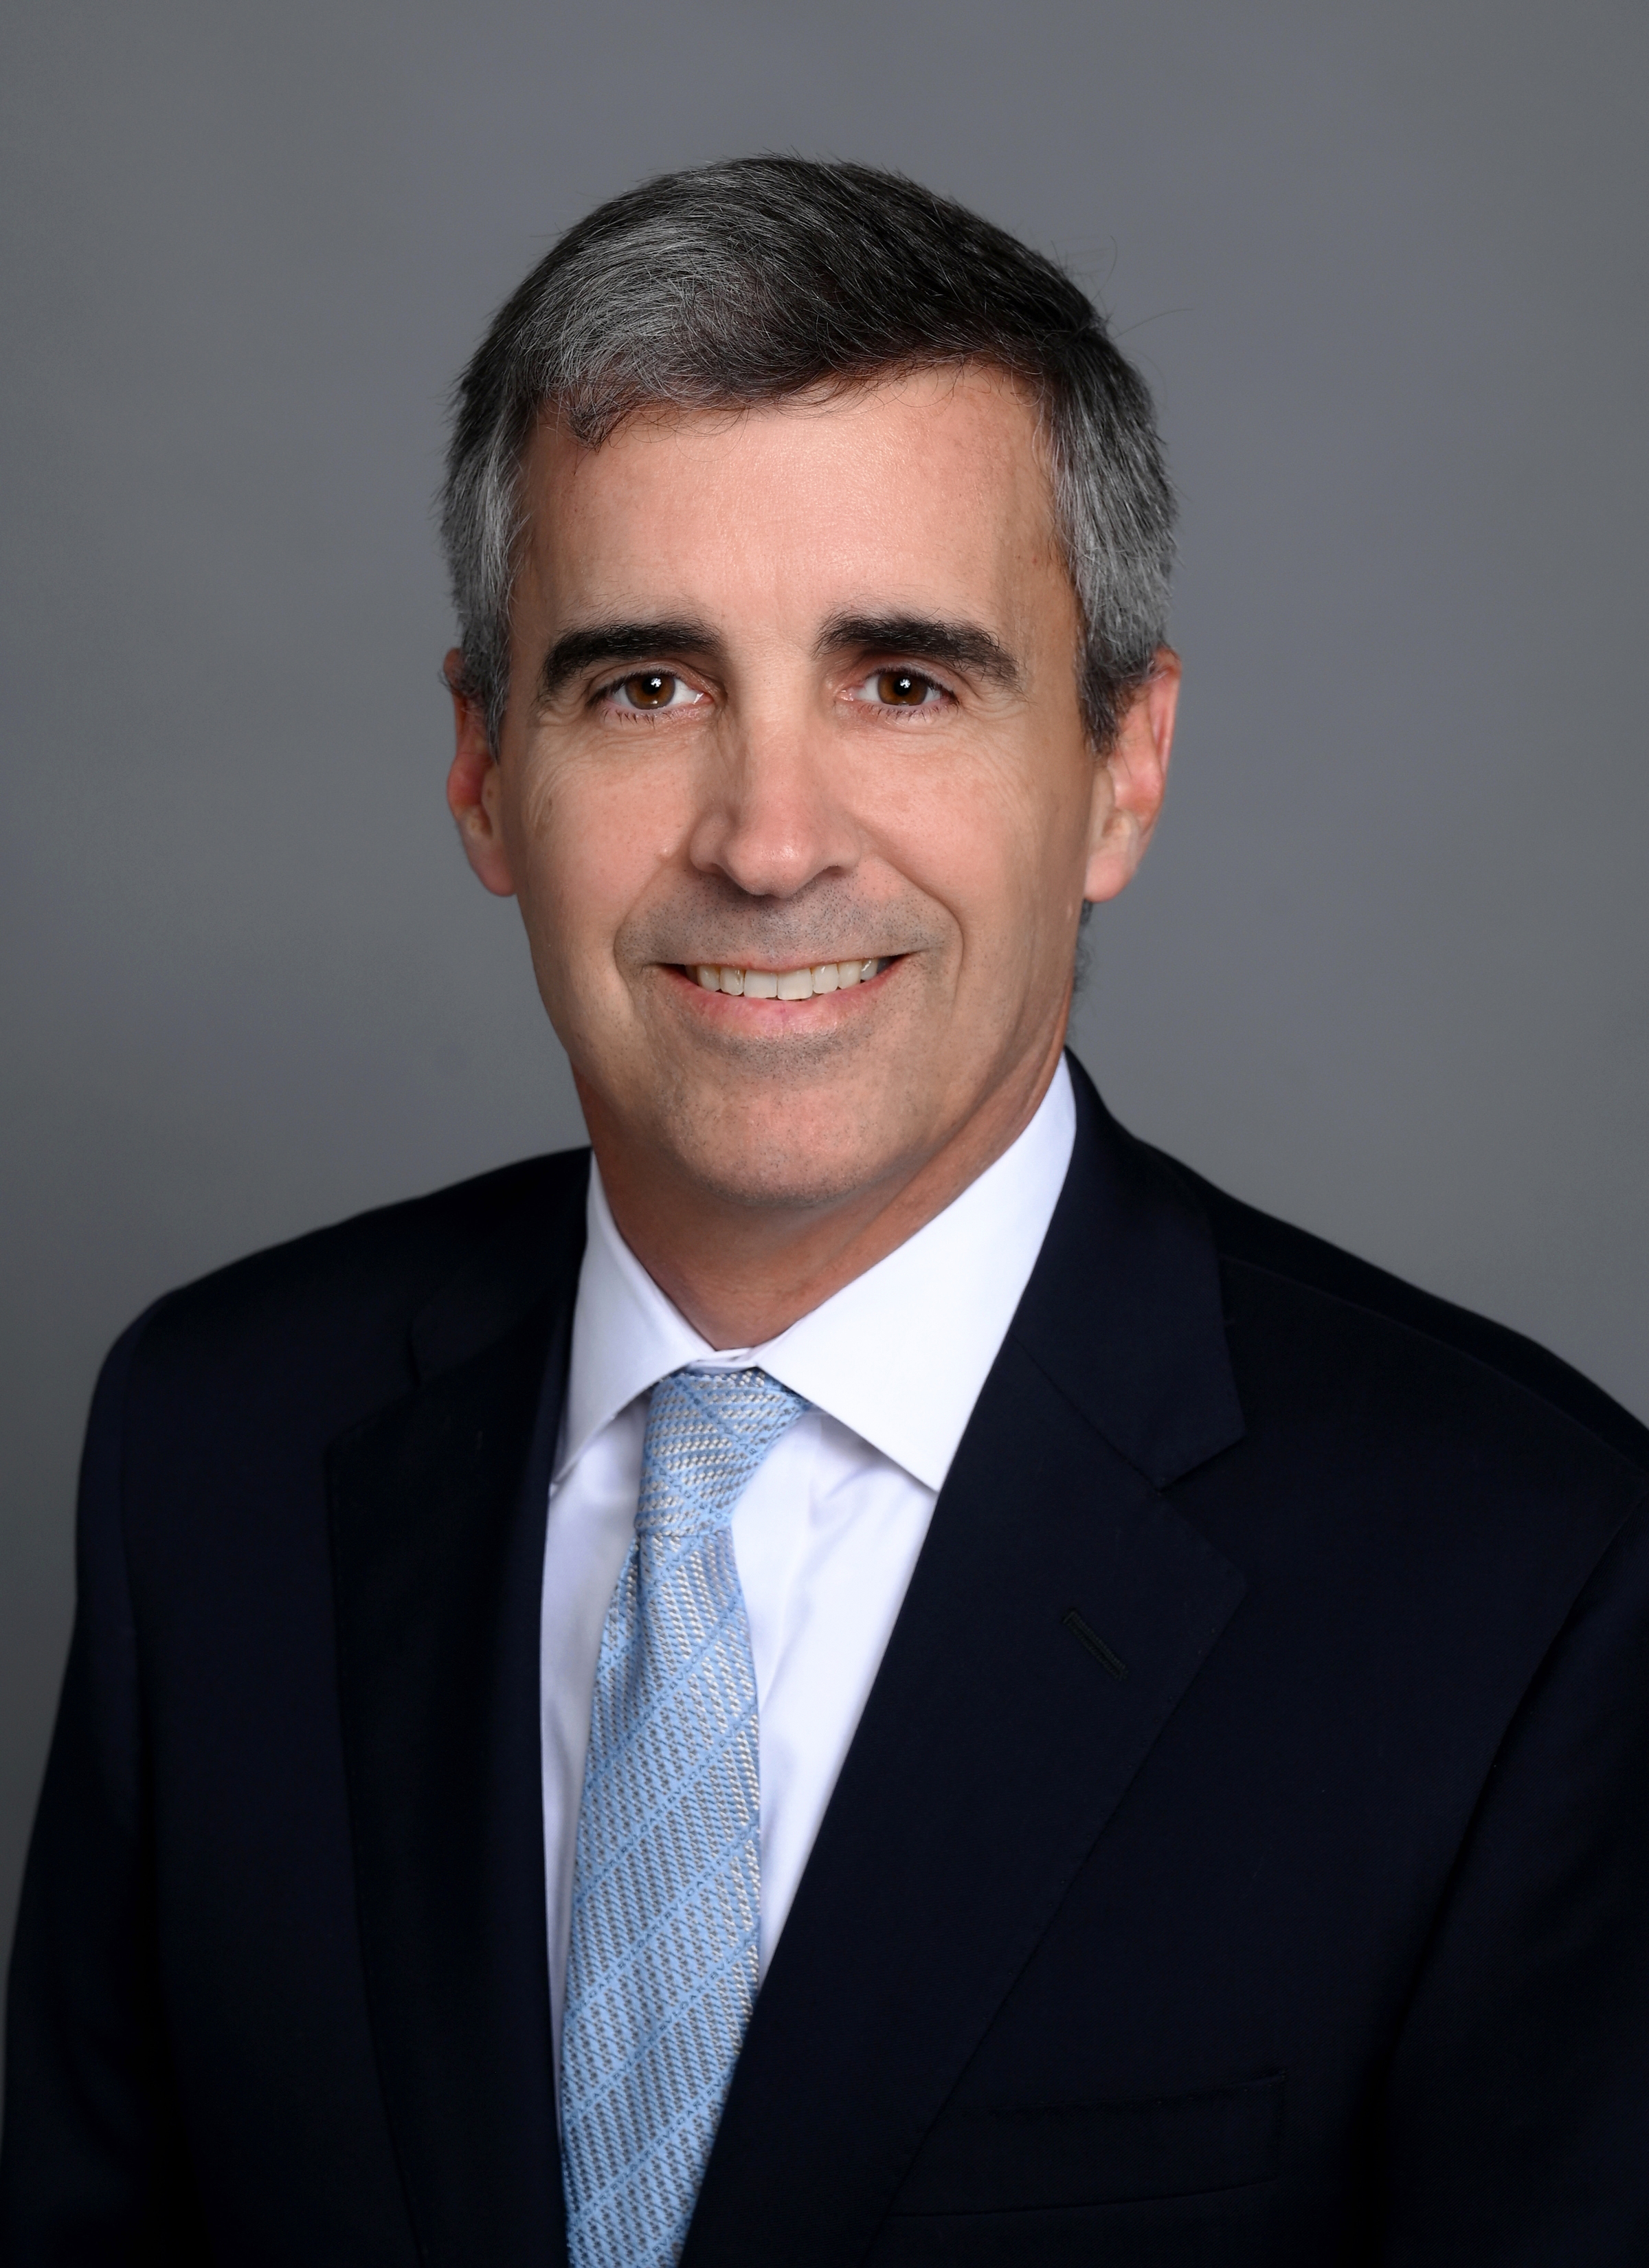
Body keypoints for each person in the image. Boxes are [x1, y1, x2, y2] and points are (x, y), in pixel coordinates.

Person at [3, 156, 1646, 2268]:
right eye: (646, 685)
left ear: (1123, 765)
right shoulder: (209, 1456)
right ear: (485, 768)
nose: (771, 843)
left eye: (903, 682)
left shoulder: (1526, 1586)